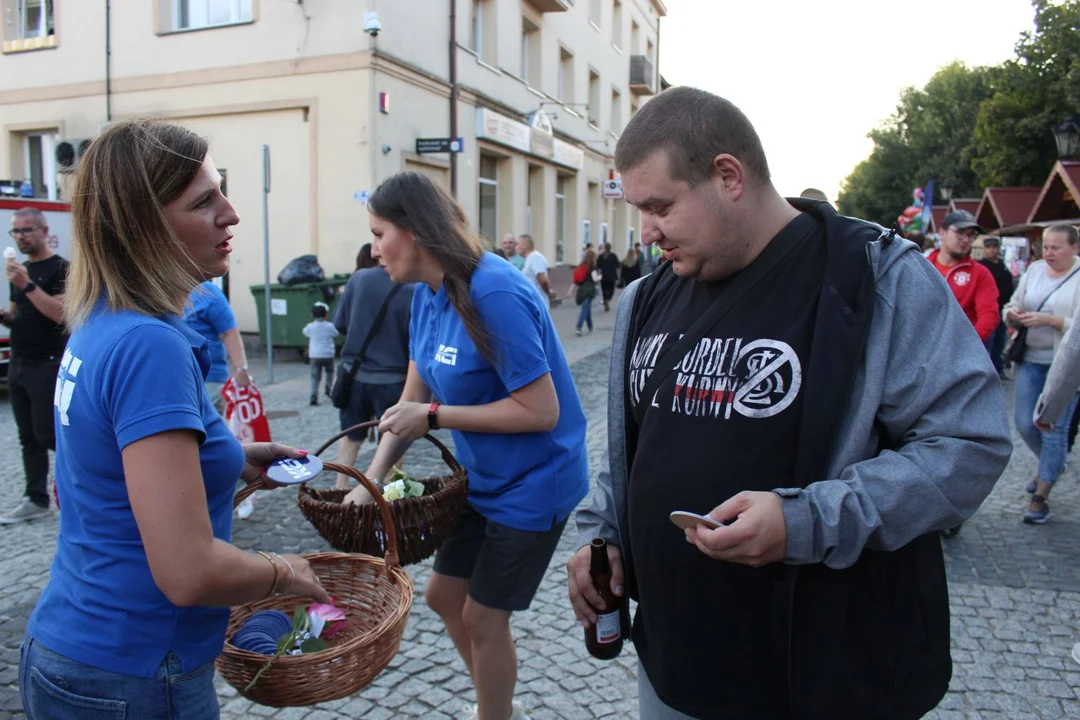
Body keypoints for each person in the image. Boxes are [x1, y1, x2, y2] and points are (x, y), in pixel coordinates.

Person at [566, 87, 1011, 719]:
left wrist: (805, 521)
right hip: (674, 663)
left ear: (728, 176)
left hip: (824, 678)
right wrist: (601, 536)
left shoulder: (874, 277)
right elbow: (634, 444)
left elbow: (970, 443)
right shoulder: (647, 297)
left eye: (660, 206)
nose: (648, 231)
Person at [18, 119, 330, 719]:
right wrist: (284, 570)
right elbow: (188, 572)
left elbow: (116, 471)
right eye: (204, 200)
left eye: (223, 191)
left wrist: (231, 458)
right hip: (134, 670)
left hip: (76, 645)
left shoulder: (103, 321)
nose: (232, 214)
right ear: (144, 229)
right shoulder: (149, 346)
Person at [342, 172, 588, 720]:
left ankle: (493, 714)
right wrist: (370, 481)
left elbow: (540, 411)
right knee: (441, 597)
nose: (374, 249)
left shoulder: (495, 290)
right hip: (482, 480)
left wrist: (434, 416)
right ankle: (498, 704)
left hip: (537, 482)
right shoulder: (425, 295)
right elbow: (411, 397)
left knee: (482, 616)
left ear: (415, 232)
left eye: (380, 233)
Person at [1003, 224, 1080, 523]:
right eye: (1045, 247)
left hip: (1068, 366)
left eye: (1056, 248)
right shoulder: (1034, 271)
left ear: (1074, 247)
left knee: (1053, 429)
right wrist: (1011, 314)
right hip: (1030, 358)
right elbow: (1013, 303)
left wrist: (1053, 320)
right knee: (1024, 423)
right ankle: (1051, 466)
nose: (1048, 253)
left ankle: (1041, 496)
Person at [0, 208, 68, 525]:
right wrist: (4, 316)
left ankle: (76, 488)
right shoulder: (21, 271)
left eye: (27, 230)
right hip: (19, 363)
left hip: (48, 363)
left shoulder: (60, 269)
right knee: (27, 437)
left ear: (43, 230)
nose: (21, 237)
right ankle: (36, 498)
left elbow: (62, 316)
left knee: (50, 435)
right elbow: (17, 316)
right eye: (16, 232)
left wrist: (28, 285)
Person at [331, 243, 414, 490]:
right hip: (394, 379)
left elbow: (340, 324)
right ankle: (389, 495)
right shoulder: (415, 289)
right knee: (393, 441)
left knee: (351, 437)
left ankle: (340, 488)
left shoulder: (359, 279)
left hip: (355, 376)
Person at [926, 211, 1000, 344]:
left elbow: (989, 315)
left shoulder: (980, 273)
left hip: (959, 352)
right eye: (960, 232)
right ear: (942, 232)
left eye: (971, 235)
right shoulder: (923, 266)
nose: (966, 239)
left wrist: (968, 345)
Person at [183, 280, 251, 416]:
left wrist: (241, 369)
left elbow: (229, 332)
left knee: (206, 428)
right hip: (177, 381)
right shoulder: (159, 292)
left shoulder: (207, 292)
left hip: (209, 380)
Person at [980, 236, 1016, 378]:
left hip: (1003, 308)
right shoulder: (983, 266)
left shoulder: (1002, 265)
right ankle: (988, 372)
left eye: (994, 247)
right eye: (989, 248)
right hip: (989, 310)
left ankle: (998, 369)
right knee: (989, 341)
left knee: (1000, 342)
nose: (992, 250)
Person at [303, 301, 338, 406]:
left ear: (312, 315)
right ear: (326, 315)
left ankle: (314, 394)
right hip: (328, 354)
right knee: (330, 372)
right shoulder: (330, 326)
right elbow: (336, 333)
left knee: (315, 376)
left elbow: (305, 332)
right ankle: (328, 389)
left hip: (315, 355)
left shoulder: (310, 327)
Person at [517, 233, 556, 309]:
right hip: (533, 304)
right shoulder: (529, 259)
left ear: (524, 246)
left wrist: (548, 293)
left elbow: (543, 280)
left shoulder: (535, 258)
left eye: (518, 245)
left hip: (538, 305)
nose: (517, 247)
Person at [569, 249, 598, 336]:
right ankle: (579, 327)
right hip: (589, 290)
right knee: (585, 308)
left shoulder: (582, 265)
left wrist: (570, 291)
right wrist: (600, 276)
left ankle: (590, 326)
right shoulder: (592, 266)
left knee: (586, 307)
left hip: (581, 290)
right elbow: (595, 279)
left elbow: (576, 280)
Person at [596, 243, 620, 311]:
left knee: (604, 289)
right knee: (611, 289)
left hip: (603, 276)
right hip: (611, 276)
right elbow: (617, 265)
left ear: (605, 248)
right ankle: (608, 298)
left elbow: (598, 266)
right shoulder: (613, 256)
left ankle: (605, 299)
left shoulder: (601, 256)